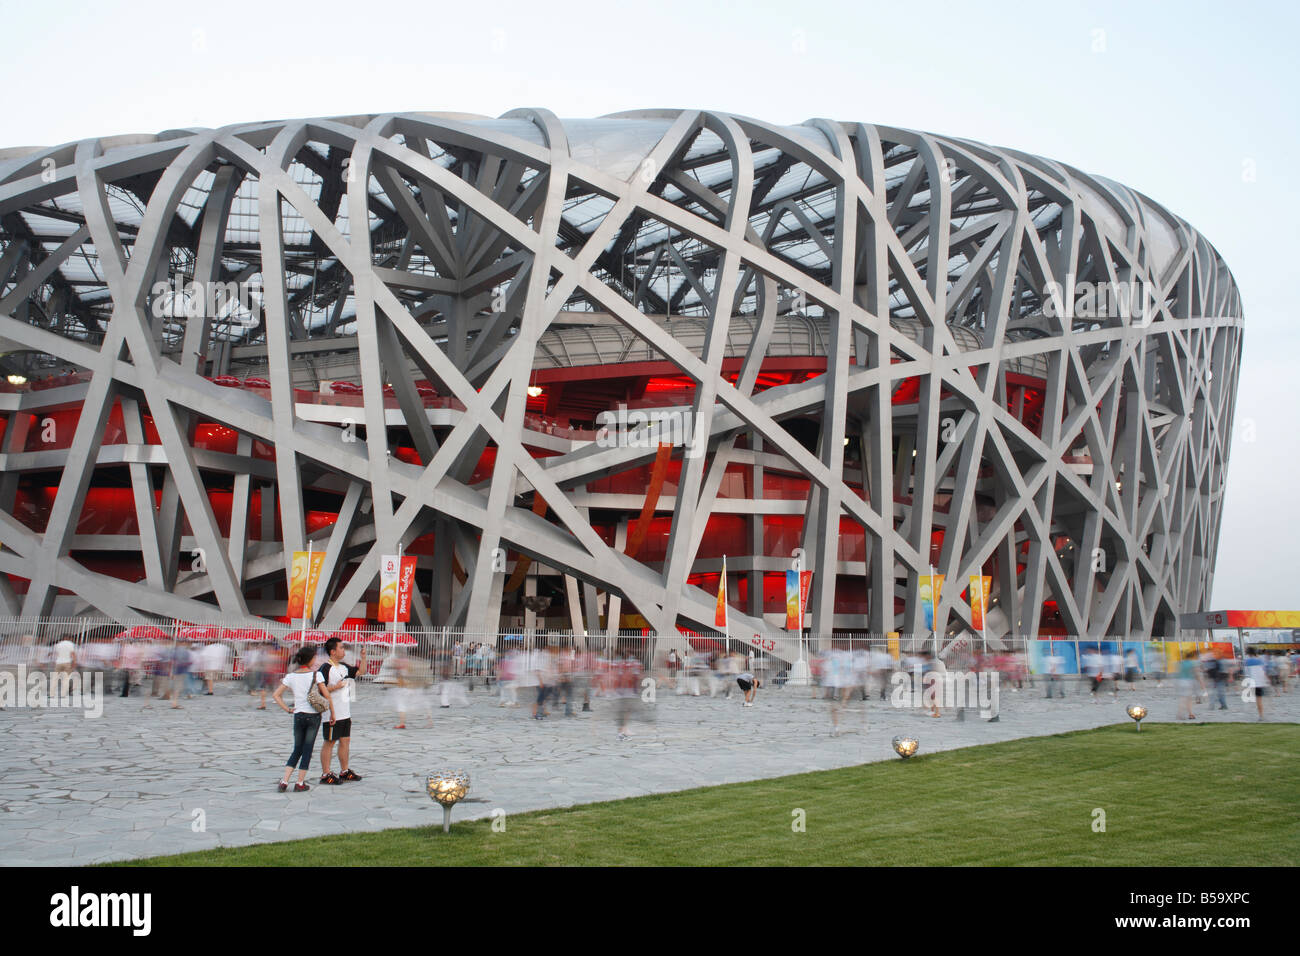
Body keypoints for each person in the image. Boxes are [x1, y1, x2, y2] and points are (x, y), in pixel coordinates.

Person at [272, 646, 330, 792]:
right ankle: (300, 782)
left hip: (298, 715)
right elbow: (326, 694)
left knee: (297, 748)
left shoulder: (291, 676)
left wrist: (288, 709)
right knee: (307, 749)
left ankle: (284, 781)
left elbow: (276, 695)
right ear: (311, 659)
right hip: (313, 716)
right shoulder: (317, 676)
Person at [317, 638, 368, 784]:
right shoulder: (325, 668)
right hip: (331, 712)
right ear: (333, 651)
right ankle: (326, 773)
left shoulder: (344, 667)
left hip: (345, 711)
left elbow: (361, 671)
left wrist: (363, 658)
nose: (343, 650)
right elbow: (320, 689)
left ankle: (344, 770)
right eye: (341, 648)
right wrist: (335, 687)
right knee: (330, 741)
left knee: (345, 741)